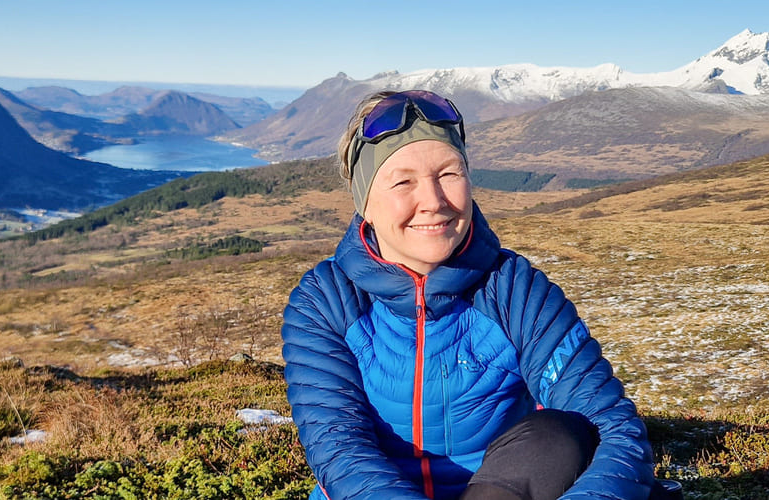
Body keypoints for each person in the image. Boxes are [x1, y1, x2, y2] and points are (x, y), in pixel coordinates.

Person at [281, 90, 675, 499]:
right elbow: (340, 450)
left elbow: (611, 427)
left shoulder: (515, 291)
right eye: (403, 182)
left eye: (449, 174)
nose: (433, 202)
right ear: (365, 203)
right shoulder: (326, 301)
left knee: (562, 436)